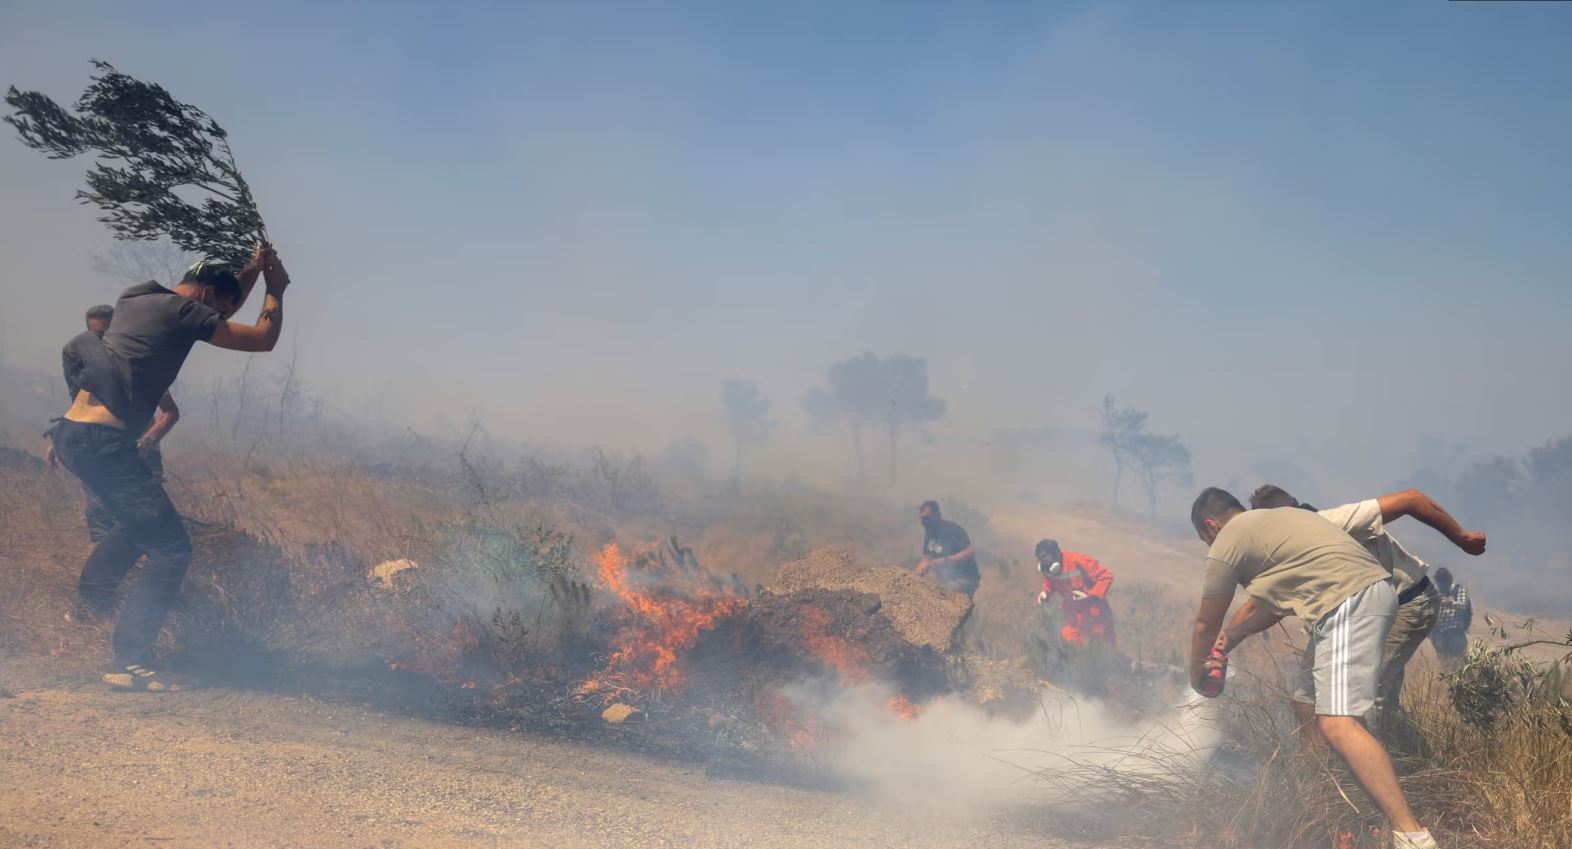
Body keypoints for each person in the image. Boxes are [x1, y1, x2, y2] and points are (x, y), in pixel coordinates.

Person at [48, 244, 290, 692]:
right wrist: (275, 291)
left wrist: (253, 268)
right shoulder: (185, 311)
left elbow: (225, 293)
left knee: (136, 525)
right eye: (217, 309)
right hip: (105, 443)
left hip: (73, 436)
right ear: (201, 295)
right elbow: (262, 338)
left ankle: (89, 609)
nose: (219, 316)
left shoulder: (136, 298)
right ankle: (129, 661)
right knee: (171, 548)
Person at [1189, 487, 1441, 849]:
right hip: (1346, 609)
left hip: (1380, 603)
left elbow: (1204, 622)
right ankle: (1333, 792)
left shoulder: (1293, 527)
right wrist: (1229, 640)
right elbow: (1268, 606)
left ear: (1211, 526)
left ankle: (1409, 828)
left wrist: (1196, 671)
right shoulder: (1286, 537)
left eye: (1204, 540)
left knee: (1348, 719)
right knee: (1306, 700)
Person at [1246, 485, 1485, 735]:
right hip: (1358, 616)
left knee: (1369, 698)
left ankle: (1386, 769)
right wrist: (1224, 643)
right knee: (1308, 693)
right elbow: (1269, 605)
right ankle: (1322, 767)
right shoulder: (1290, 554)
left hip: (1406, 603)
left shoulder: (1333, 522)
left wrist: (1463, 537)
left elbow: (1412, 499)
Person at [48, 305, 182, 549]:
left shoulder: (138, 364)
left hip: (137, 452)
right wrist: (57, 439)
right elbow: (81, 411)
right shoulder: (88, 368)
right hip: (99, 449)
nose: (99, 341)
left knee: (145, 517)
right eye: (95, 334)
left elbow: (170, 412)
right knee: (97, 508)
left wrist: (146, 443)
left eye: (105, 333)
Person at [1033, 539, 1116, 648]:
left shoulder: (1077, 560)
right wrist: (1045, 593)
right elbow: (1049, 582)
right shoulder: (1048, 568)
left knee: (1106, 650)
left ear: (1057, 554)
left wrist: (1090, 596)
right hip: (1075, 616)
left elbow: (1106, 576)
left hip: (1097, 614)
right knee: (1070, 640)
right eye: (1042, 561)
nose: (1045, 564)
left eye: (1047, 559)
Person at [914, 500, 979, 597]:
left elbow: (970, 551)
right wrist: (912, 579)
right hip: (947, 581)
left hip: (965, 579)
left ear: (937, 515)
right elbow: (926, 560)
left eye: (927, 518)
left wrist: (947, 560)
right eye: (922, 519)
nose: (924, 522)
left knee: (940, 596)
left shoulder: (951, 529)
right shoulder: (929, 534)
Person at [1429, 568, 1472, 669]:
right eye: (1439, 582)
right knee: (1444, 660)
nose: (1441, 586)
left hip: (1455, 631)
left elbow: (1463, 605)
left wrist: (1451, 602)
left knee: (1459, 660)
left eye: (1443, 582)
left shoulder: (1459, 589)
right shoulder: (1435, 591)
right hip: (1439, 633)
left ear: (1449, 580)